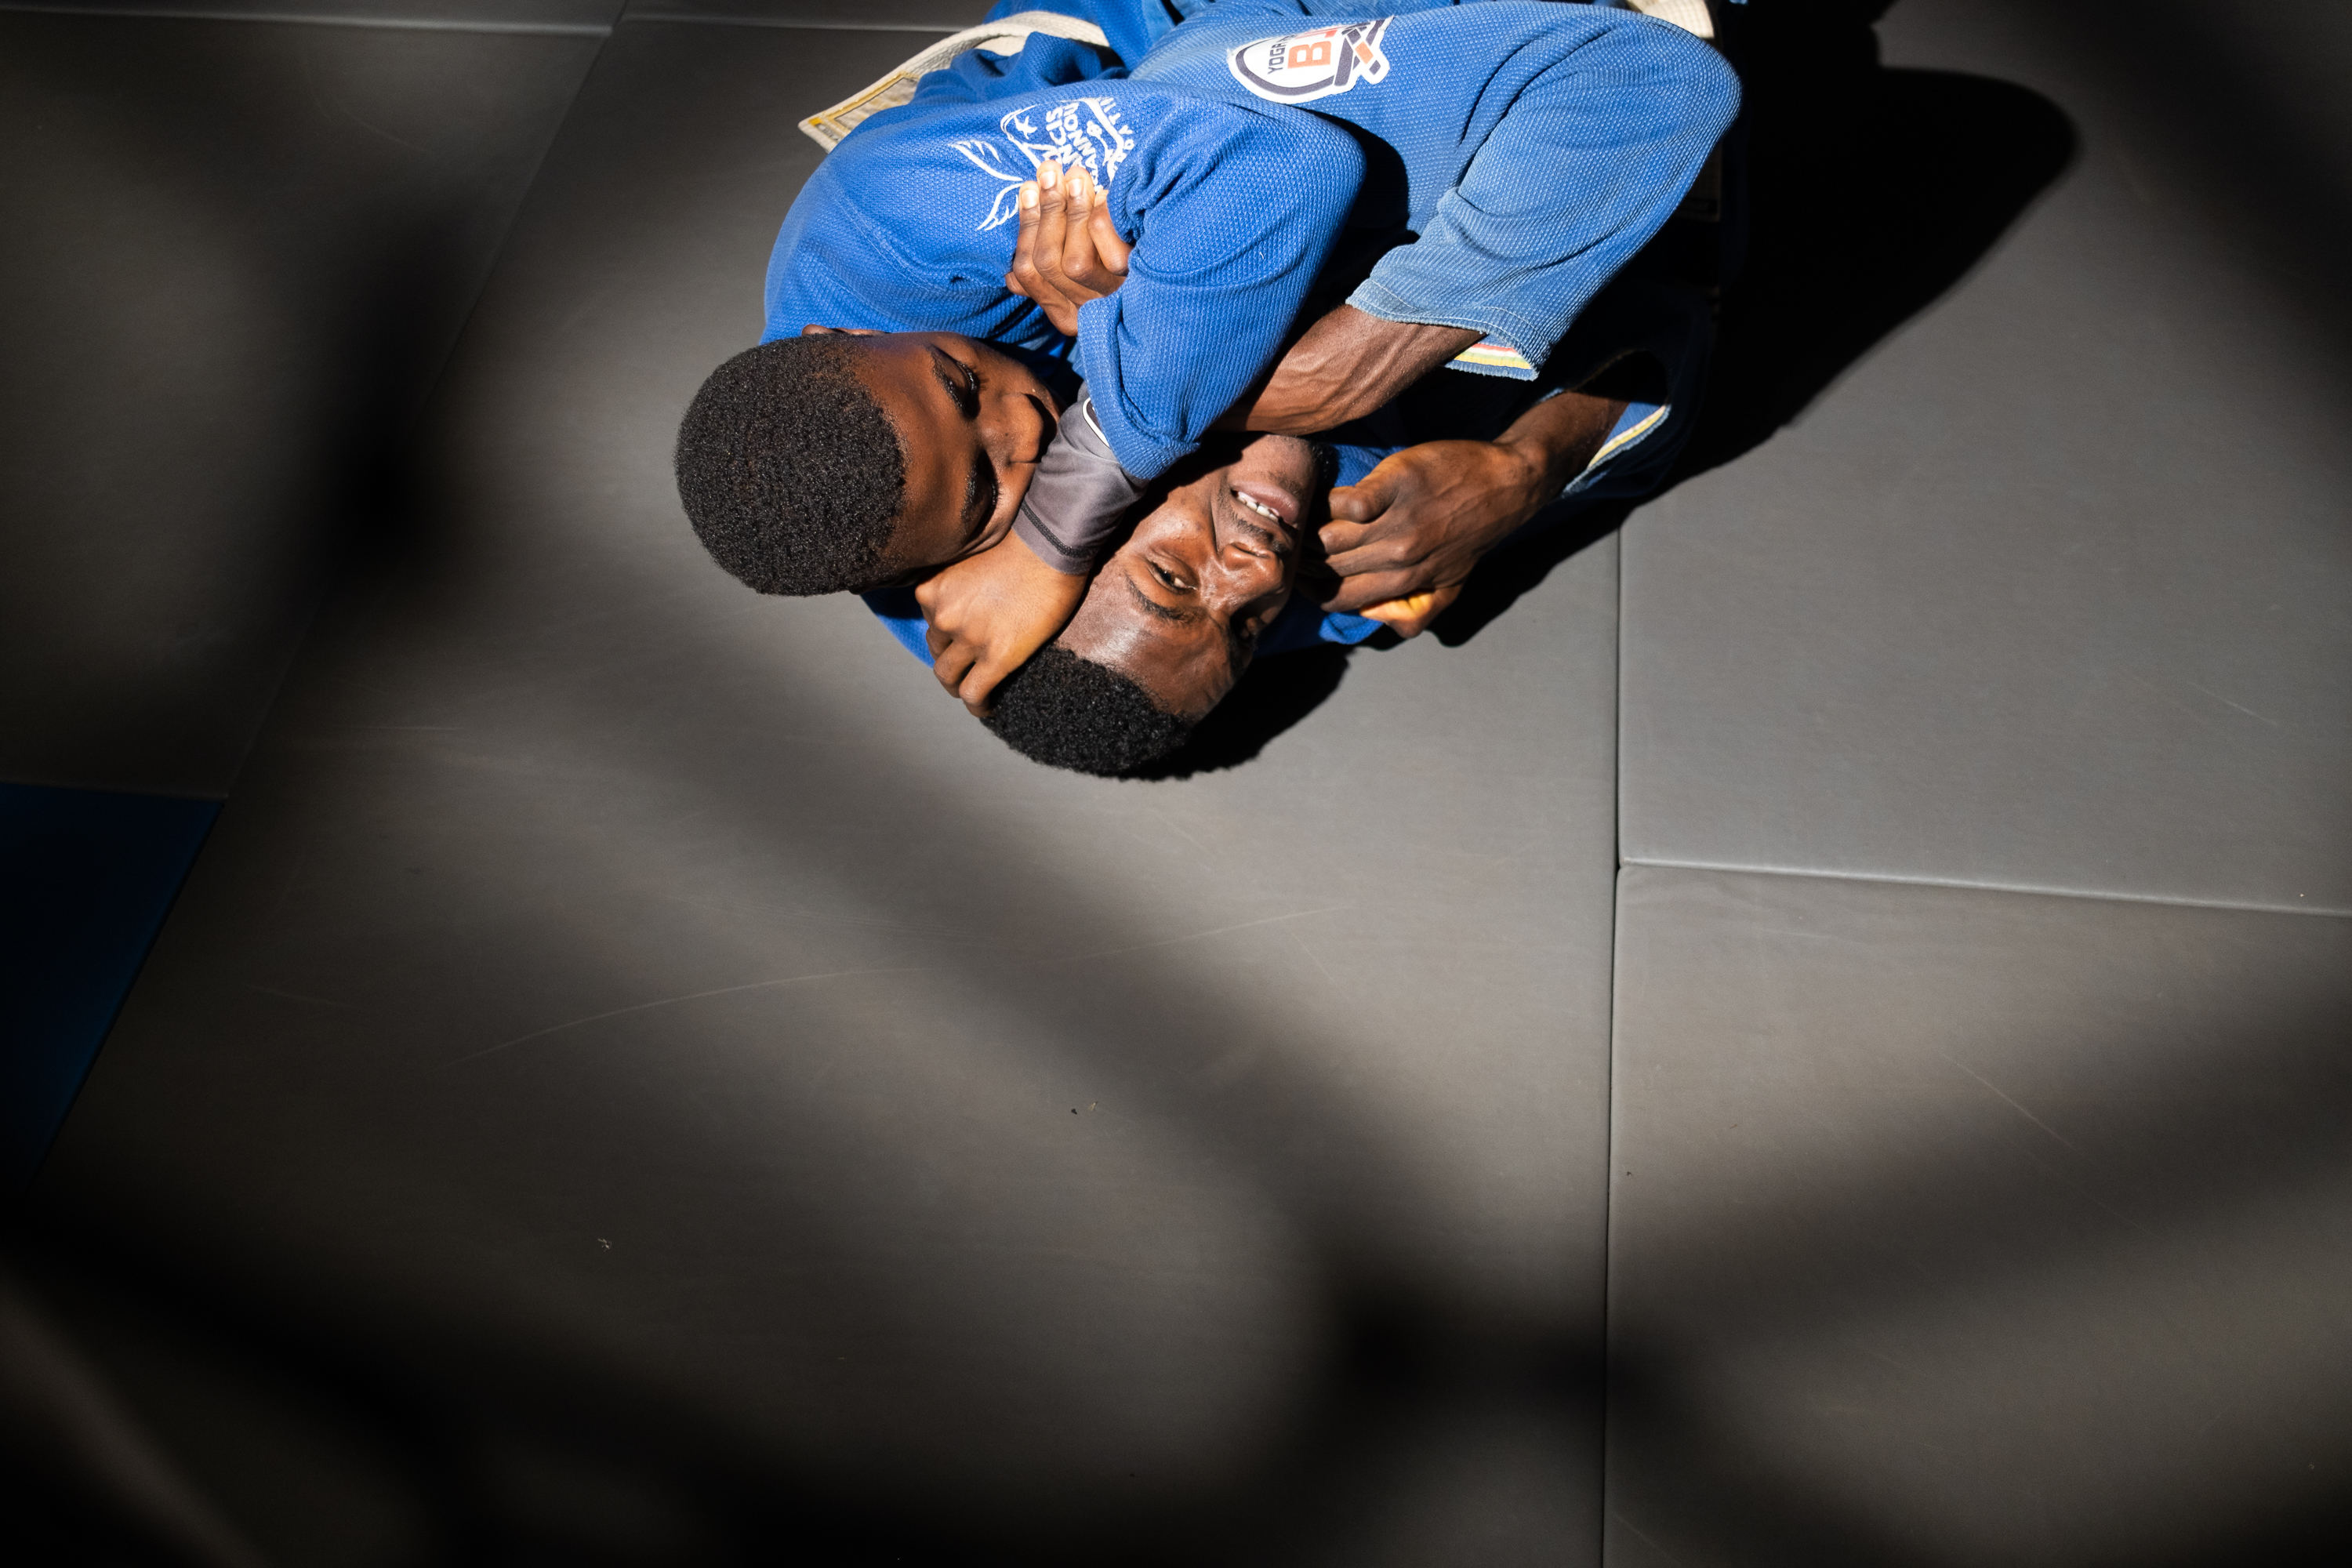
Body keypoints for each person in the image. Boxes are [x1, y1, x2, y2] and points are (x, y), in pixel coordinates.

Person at [674, 1, 1736, 704]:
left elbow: (1268, 165)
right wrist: (1525, 472)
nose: (1025, 427)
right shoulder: (1247, 585)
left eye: (962, 388)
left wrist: (1165, 418)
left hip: (1172, 52)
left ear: (844, 338)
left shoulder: (888, 229)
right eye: (987, 497)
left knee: (1249, 154)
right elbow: (1678, 328)